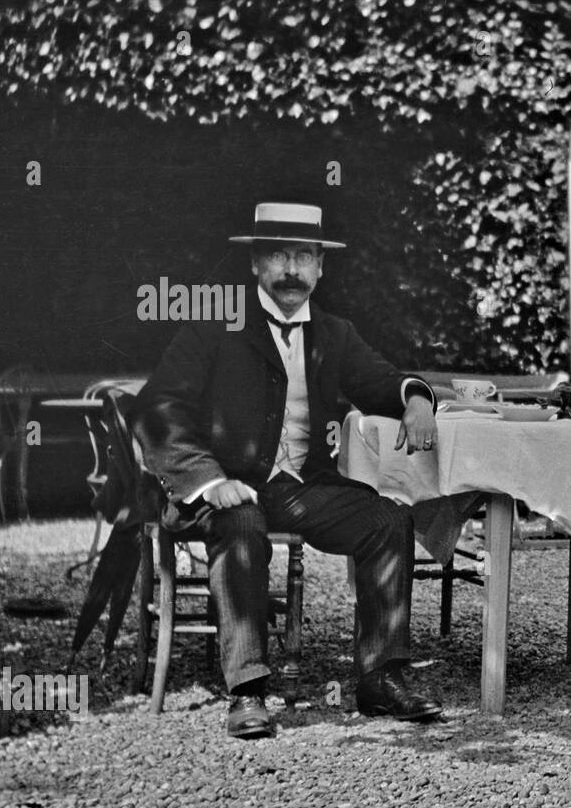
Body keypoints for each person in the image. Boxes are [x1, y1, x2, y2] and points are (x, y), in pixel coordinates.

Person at [133, 202, 442, 739]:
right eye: (278, 255)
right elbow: (158, 410)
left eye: (303, 257)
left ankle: (380, 678)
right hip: (224, 487)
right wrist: (209, 479)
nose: (291, 270)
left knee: (389, 522)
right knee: (243, 525)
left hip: (301, 486)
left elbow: (380, 380)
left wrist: (416, 399)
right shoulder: (212, 327)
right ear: (255, 264)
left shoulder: (334, 333)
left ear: (321, 267)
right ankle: (247, 690)